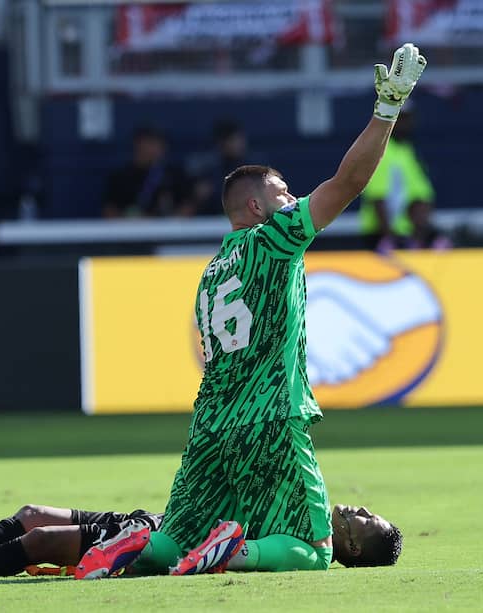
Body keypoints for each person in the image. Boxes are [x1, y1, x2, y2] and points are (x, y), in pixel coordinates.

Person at [75, 43, 426, 580]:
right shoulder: (274, 239)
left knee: (179, 537)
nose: (293, 200)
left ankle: (138, 548)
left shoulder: (214, 269)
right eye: (284, 193)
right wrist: (387, 109)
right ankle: (233, 554)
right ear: (257, 207)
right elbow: (349, 184)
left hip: (211, 423)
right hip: (270, 414)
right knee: (315, 549)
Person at [0, 502, 401, 579]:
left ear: (354, 549)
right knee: (31, 515)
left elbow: (229, 552)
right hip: (160, 517)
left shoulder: (308, 550)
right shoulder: (302, 504)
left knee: (43, 539)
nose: (358, 510)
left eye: (366, 521)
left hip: (151, 540)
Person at [358, 106, 435, 251]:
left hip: (403, 236)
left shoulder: (406, 150)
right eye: (401, 118)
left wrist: (420, 236)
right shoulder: (381, 151)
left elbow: (421, 196)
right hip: (380, 237)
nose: (406, 124)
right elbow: (377, 199)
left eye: (408, 118)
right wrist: (389, 239)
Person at [102, 126, 188, 218]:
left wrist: (165, 222)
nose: (155, 148)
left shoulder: (174, 175)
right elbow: (109, 211)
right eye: (150, 143)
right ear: (137, 145)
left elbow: (187, 206)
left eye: (159, 144)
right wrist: (132, 222)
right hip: (130, 225)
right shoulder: (119, 177)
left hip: (166, 226)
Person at [183, 120, 261, 217]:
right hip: (209, 217)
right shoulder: (206, 167)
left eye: (239, 139)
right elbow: (197, 197)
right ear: (221, 143)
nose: (237, 144)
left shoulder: (253, 167)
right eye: (232, 140)